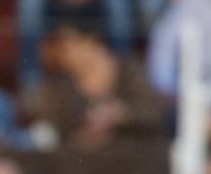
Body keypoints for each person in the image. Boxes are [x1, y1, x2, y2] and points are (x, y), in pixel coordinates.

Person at [26, 20, 164, 151]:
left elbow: (154, 114)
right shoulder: (58, 85)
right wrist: (86, 135)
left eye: (67, 48)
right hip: (84, 165)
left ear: (90, 41)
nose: (62, 56)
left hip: (137, 160)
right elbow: (56, 132)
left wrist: (121, 115)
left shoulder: (131, 71)